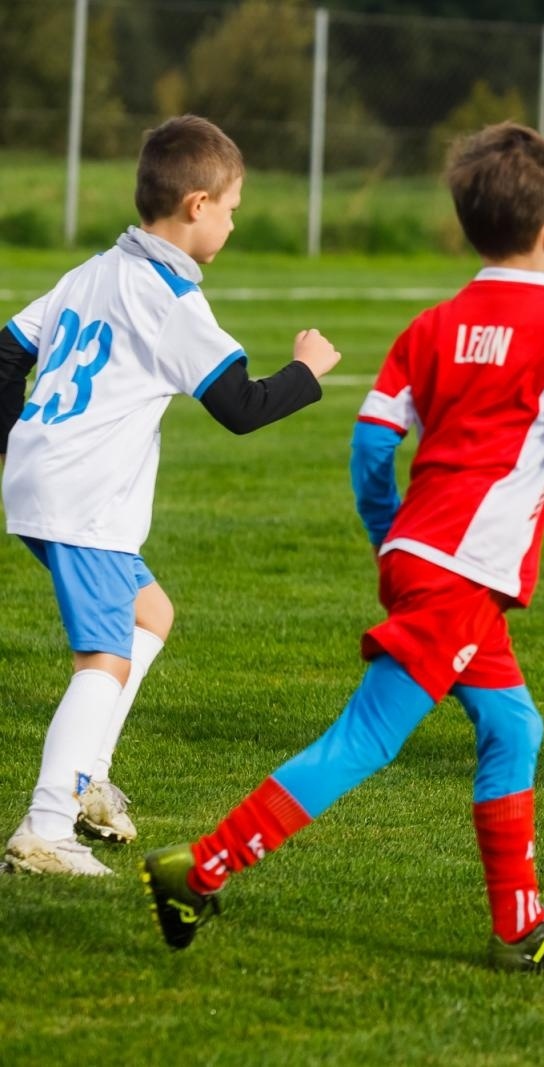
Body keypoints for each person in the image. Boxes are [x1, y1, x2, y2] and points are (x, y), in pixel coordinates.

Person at [140, 122, 544, 972]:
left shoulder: (433, 324)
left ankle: (520, 924)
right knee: (366, 739)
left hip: (424, 559)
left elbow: (370, 441)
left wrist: (393, 534)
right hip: (463, 571)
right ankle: (199, 868)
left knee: (512, 724)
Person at [0, 115, 341, 876]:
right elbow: (240, 407)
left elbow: (6, 349)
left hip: (46, 478)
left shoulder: (90, 271)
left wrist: (11, 446)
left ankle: (85, 782)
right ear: (195, 205)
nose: (230, 223)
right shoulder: (168, 299)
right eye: (231, 209)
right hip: (81, 498)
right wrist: (308, 372)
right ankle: (46, 827)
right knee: (104, 659)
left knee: (150, 612)